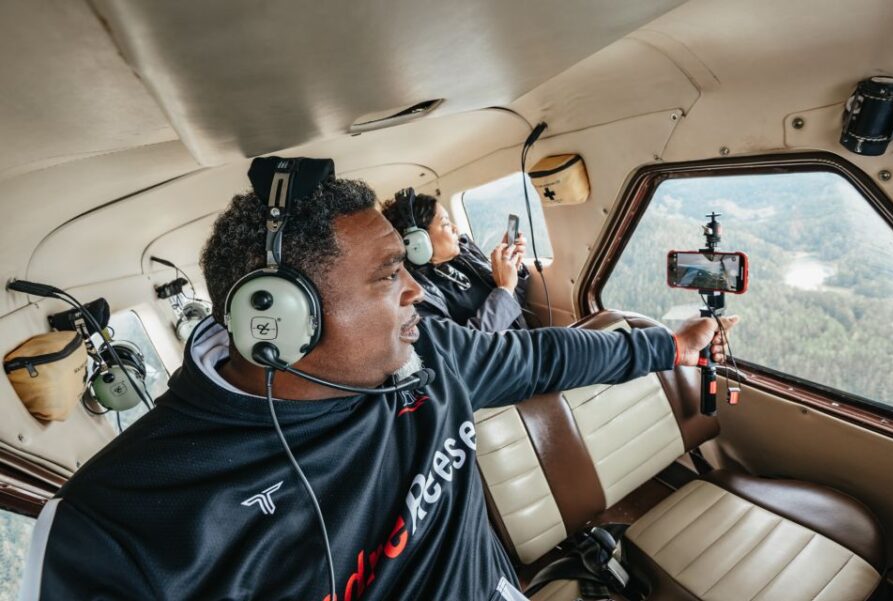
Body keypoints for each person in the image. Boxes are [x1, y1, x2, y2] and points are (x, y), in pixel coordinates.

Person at [21, 161, 737, 601]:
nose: (417, 292)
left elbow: (550, 359)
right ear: (276, 317)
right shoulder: (116, 524)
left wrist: (667, 346)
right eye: (389, 275)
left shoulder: (430, 354)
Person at [381, 189, 531, 331]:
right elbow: (465, 349)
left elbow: (515, 306)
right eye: (446, 223)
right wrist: (505, 288)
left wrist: (512, 268)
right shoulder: (416, 297)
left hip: (525, 343)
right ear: (418, 242)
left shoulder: (466, 254)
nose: (456, 229)